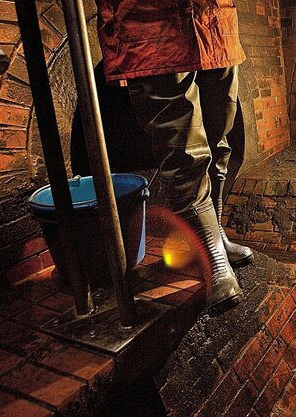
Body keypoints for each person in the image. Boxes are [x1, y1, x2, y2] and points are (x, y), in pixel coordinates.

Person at [95, 0, 252, 316]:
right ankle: (213, 259)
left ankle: (217, 233)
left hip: (213, 19)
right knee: (182, 152)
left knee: (220, 138)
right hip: (151, 21)